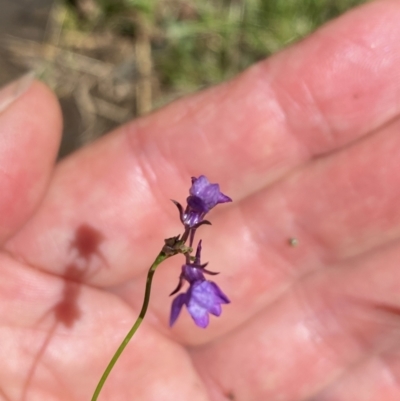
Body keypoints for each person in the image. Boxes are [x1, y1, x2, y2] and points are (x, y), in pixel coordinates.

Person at [1, 1, 400, 399]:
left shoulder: (188, 253)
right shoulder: (185, 241)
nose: (194, 211)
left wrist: (191, 267)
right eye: (195, 206)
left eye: (198, 206)